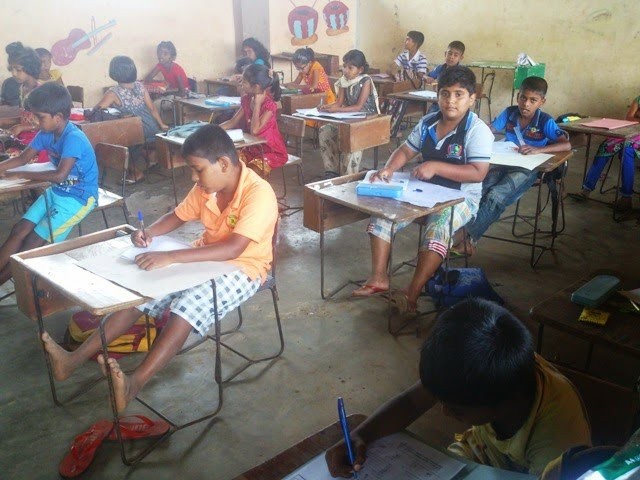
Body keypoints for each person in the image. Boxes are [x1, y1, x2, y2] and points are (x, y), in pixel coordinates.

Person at [40, 124, 278, 413]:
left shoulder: (258, 193)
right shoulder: (207, 188)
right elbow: (177, 216)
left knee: (189, 305)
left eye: (197, 170)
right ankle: (72, 360)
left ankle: (134, 383)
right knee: (145, 292)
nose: (194, 177)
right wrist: (149, 232)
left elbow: (234, 249)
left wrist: (171, 257)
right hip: (205, 257)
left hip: (244, 267)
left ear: (224, 164)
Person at [325, 298, 592, 478]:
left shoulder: (557, 439)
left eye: (457, 410)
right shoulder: (482, 371)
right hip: (474, 457)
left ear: (505, 401)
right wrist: (362, 434)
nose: (443, 411)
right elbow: (412, 402)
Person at [351, 66, 492, 314]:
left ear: (472, 99)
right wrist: (389, 169)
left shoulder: (477, 130)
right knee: (383, 216)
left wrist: (436, 166)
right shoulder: (428, 122)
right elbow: (406, 150)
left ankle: (412, 293)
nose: (450, 101)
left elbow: (478, 173)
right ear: (438, 95)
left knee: (438, 227)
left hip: (461, 198)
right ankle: (379, 278)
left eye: (459, 94)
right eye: (445, 93)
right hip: (424, 191)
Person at [455, 76, 571, 254]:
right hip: (505, 162)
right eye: (523, 98)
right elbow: (491, 129)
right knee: (481, 188)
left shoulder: (544, 121)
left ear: (542, 102)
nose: (526, 104)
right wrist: (479, 129)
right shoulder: (510, 113)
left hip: (529, 168)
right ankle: (464, 238)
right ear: (518, 96)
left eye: (533, 100)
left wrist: (538, 149)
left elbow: (566, 144)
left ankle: (465, 239)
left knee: (496, 195)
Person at [0, 82, 98, 286]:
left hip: (78, 198)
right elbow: (23, 158)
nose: (35, 121)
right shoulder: (46, 133)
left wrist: (19, 174)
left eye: (40, 117)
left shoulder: (74, 138)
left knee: (32, 243)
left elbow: (60, 175)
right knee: (19, 229)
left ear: (58, 117)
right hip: (57, 192)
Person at [95, 55, 169, 183]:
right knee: (136, 142)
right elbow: (152, 108)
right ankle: (151, 156)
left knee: (115, 144)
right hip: (151, 127)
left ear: (114, 73)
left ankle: (135, 173)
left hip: (136, 131)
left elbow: (97, 111)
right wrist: (161, 124)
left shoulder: (113, 93)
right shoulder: (140, 86)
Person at [570, 96, 640, 212]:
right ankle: (586, 189)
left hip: (635, 137)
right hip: (632, 132)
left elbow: (632, 118)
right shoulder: (638, 99)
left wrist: (636, 118)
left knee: (627, 150)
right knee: (606, 146)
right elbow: (629, 118)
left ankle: (626, 197)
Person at [318, 49, 380, 177]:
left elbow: (358, 107)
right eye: (344, 66)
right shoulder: (343, 80)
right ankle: (332, 171)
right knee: (325, 130)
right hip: (349, 119)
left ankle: (348, 177)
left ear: (360, 70)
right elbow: (338, 103)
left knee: (351, 138)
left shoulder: (365, 81)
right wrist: (326, 107)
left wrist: (336, 109)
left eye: (350, 68)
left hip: (367, 120)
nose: (346, 70)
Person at [220, 64, 287, 178]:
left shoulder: (269, 106)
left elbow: (255, 131)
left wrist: (257, 105)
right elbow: (232, 122)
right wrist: (212, 130)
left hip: (270, 151)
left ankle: (250, 189)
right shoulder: (247, 99)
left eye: (244, 82)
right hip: (252, 148)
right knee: (230, 164)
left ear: (256, 87)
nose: (241, 84)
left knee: (251, 173)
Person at [4, 42, 44, 151]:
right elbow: (26, 117)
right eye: (11, 69)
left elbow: (47, 124)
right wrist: (5, 122)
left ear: (30, 68)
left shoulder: (40, 92)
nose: (13, 73)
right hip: (23, 138)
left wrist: (21, 127)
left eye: (18, 69)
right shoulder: (22, 88)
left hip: (37, 141)